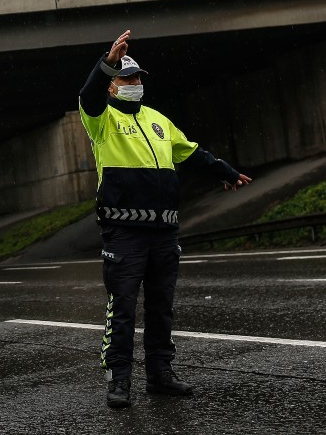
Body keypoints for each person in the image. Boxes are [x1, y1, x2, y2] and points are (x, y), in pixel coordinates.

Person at [78, 30, 252, 409]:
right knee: (122, 307)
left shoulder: (159, 120)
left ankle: (160, 374)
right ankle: (119, 379)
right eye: (127, 78)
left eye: (137, 78)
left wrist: (225, 171)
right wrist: (107, 64)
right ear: (112, 86)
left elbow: (191, 152)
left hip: (163, 231)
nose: (134, 84)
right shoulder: (101, 119)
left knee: (161, 306)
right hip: (124, 231)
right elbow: (88, 96)